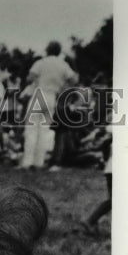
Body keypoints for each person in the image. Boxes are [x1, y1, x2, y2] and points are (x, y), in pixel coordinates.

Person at [18, 41, 78, 170]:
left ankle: (27, 162)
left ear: (47, 50)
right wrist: (62, 87)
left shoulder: (41, 62)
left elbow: (30, 78)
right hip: (52, 96)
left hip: (39, 94)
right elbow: (74, 80)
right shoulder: (63, 65)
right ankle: (39, 162)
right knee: (44, 131)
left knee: (31, 129)